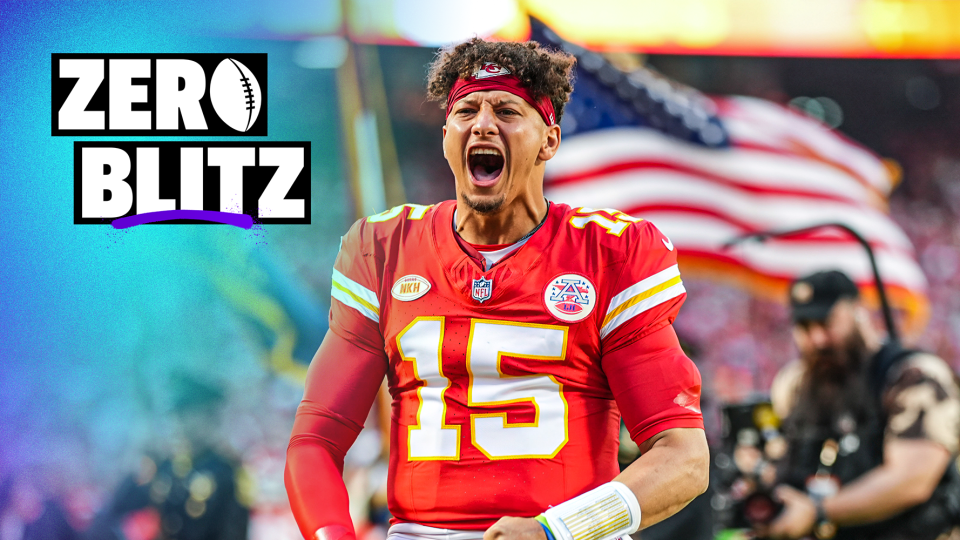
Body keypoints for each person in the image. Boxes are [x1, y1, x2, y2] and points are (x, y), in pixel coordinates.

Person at [285, 38, 709, 540]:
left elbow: (684, 459)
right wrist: (333, 534)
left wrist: (557, 530)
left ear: (549, 141)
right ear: (446, 135)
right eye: (466, 109)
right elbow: (314, 440)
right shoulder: (383, 247)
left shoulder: (609, 252)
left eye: (506, 109)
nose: (483, 123)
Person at [763, 270, 960, 540]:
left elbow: (913, 479)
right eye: (806, 327)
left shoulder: (913, 375)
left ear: (858, 311)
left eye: (827, 322)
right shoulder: (794, 384)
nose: (818, 339)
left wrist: (818, 511)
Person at [86, 376, 251, 540]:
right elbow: (119, 506)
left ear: (209, 417)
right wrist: (143, 453)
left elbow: (234, 532)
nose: (179, 423)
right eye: (175, 416)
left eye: (187, 415)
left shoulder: (228, 473)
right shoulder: (166, 468)